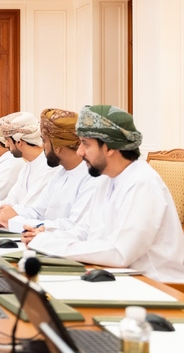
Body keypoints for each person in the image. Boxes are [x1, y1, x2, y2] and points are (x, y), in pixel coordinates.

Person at [26, 105, 184, 283]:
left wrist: (49, 244)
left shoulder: (143, 183)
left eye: (85, 144)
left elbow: (119, 253)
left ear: (109, 147)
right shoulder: (106, 179)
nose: (79, 152)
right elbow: (84, 230)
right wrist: (44, 236)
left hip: (156, 285)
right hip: (116, 276)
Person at [0, 108, 102, 232]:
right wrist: (3, 214)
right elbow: (37, 211)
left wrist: (15, 221)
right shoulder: (60, 173)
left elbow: (73, 226)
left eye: (44, 141)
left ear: (57, 146)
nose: (42, 146)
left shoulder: (92, 177)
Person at [0, 112, 55, 218]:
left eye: (7, 140)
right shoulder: (28, 166)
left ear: (19, 142)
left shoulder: (48, 167)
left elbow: (31, 211)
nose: (6, 145)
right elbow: (9, 202)